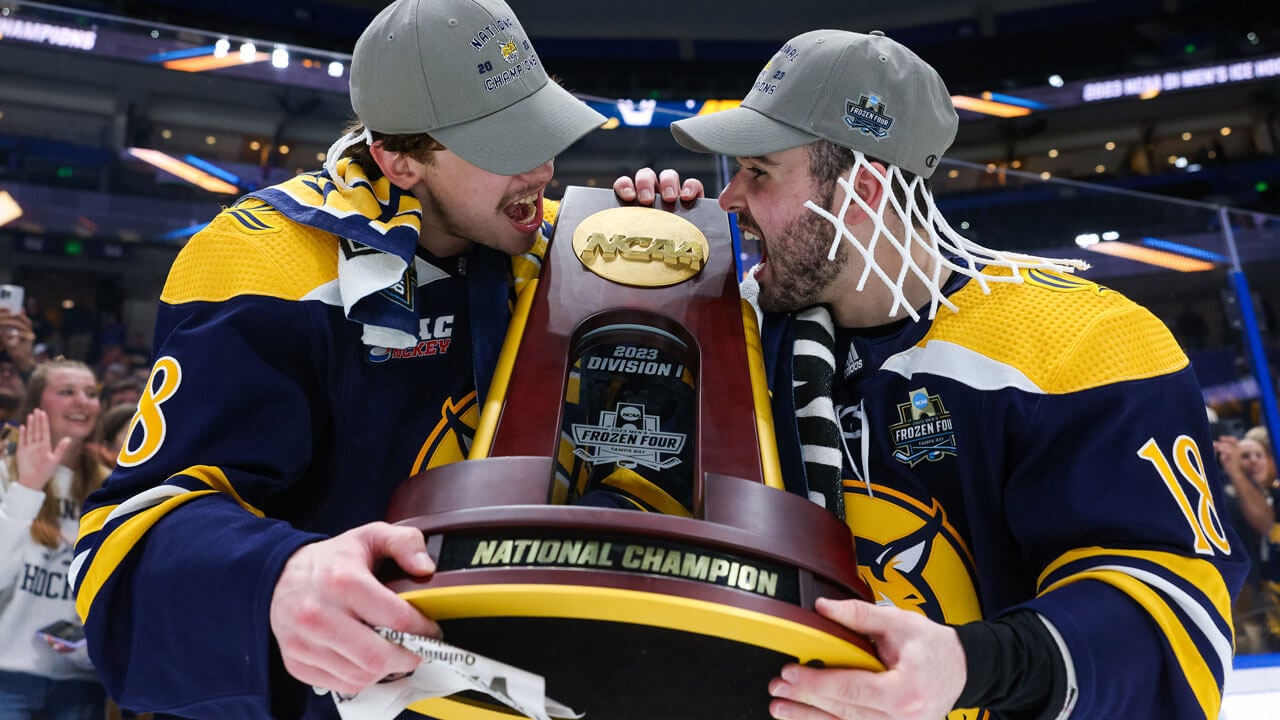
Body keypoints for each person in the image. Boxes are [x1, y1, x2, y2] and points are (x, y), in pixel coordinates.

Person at [632, 28, 1247, 720]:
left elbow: (1170, 613)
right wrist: (638, 276)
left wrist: (968, 666)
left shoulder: (1079, 340)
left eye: (760, 172)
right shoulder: (728, 332)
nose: (728, 200)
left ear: (861, 189)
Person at [69, 0, 621, 717]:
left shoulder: (569, 243)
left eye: (542, 129)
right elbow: (125, 542)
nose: (542, 168)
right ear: (399, 158)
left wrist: (669, 251)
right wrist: (276, 577)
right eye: (505, 145)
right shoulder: (262, 257)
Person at [0, 359, 107, 720]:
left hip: (82, 681)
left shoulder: (111, 487)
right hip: (8, 676)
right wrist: (27, 488)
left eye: (91, 394)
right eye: (67, 392)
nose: (82, 402)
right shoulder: (5, 472)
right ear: (37, 405)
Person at [1214, 430, 1279, 653]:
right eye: (1245, 456)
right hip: (1247, 597)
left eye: (1257, 455)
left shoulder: (1273, 495)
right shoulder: (1228, 494)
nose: (1251, 461)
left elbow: (1266, 522)